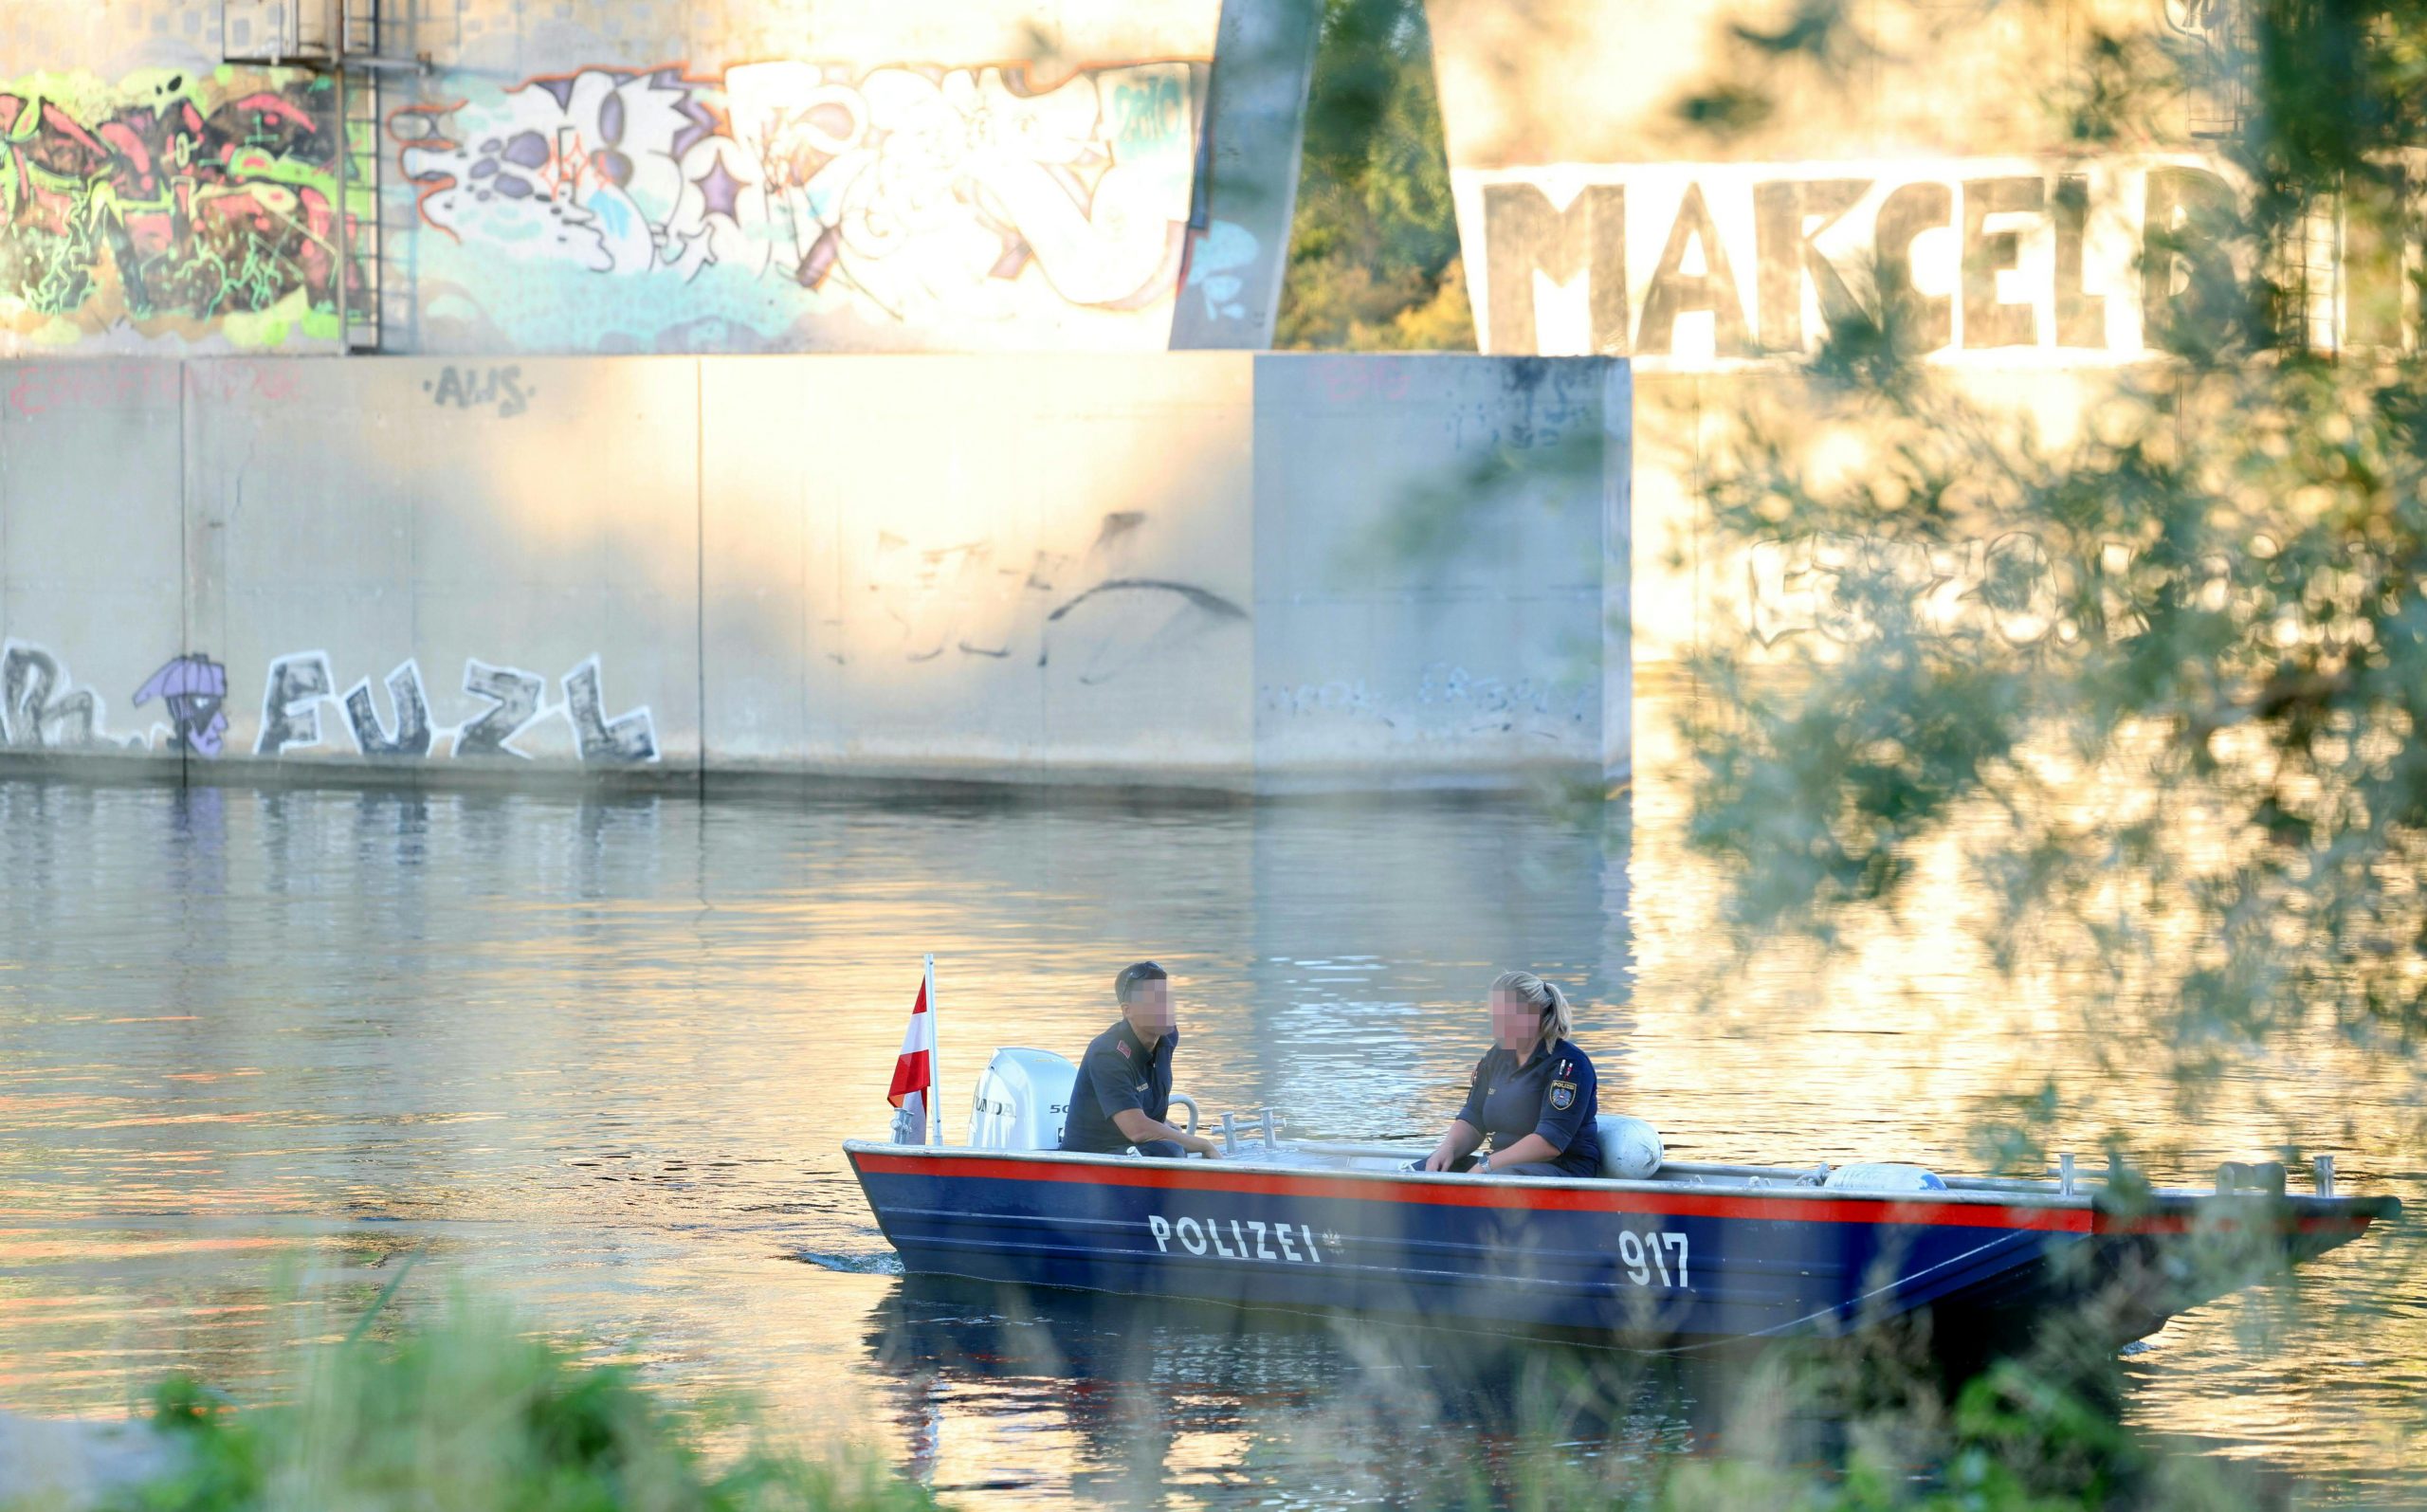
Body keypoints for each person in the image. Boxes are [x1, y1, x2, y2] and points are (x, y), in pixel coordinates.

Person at [1419, 971, 1601, 1177]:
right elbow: (1474, 1117)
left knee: (1497, 1182)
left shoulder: (1569, 1065)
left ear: (1535, 1014)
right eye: (1495, 1016)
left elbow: (1549, 1143)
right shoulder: (1497, 1056)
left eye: (1507, 1016)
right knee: (1422, 1171)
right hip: (1500, 1165)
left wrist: (1485, 1166)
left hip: (1563, 1168)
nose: (1498, 1026)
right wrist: (1447, 1149)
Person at [1061, 961, 1224, 1158]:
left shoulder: (1168, 1037)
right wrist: (1205, 1145)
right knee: (1168, 1151)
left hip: (1133, 1147)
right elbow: (1138, 1130)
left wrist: (1161, 1125)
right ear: (1127, 1010)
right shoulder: (1107, 1054)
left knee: (1172, 1143)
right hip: (1092, 1159)